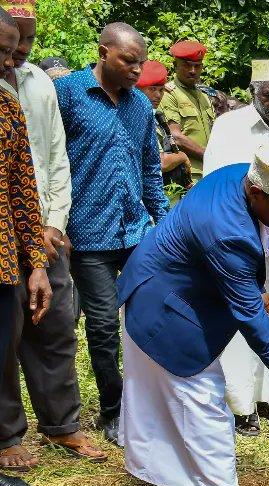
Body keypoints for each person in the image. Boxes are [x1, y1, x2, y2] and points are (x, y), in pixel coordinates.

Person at [117, 143, 269, 486]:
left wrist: (249, 288)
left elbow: (229, 267)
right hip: (165, 310)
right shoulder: (228, 232)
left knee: (161, 399)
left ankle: (161, 474)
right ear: (258, 193)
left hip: (165, 290)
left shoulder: (240, 173)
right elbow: (252, 322)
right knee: (204, 400)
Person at [0, 2, 105, 473]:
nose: (19, 51)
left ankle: (62, 424)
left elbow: (53, 162)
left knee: (57, 325)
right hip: (4, 238)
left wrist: (52, 225)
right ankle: (6, 435)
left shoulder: (41, 86)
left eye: (26, 41)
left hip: (42, 230)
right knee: (5, 336)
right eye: (10, 41)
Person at [54, 22, 169, 446]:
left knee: (147, 321)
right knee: (102, 325)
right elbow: (50, 159)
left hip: (136, 232)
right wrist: (54, 222)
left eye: (141, 61)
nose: (137, 70)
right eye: (128, 61)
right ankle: (113, 411)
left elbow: (149, 170)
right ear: (103, 52)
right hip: (88, 234)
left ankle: (149, 406)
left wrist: (165, 223)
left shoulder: (140, 106)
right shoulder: (68, 95)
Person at [203, 59, 269, 435]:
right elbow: (215, 185)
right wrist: (251, 235)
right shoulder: (227, 126)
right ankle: (241, 406)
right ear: (253, 92)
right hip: (237, 241)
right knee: (241, 318)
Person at [0, 5, 51, 486]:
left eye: (11, 51)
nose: (8, 61)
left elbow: (23, 192)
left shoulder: (8, 107)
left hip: (2, 264)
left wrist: (34, 263)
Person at [157, 40, 214, 183]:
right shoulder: (168, 94)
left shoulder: (204, 96)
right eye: (187, 65)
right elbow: (175, 137)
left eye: (197, 66)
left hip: (209, 172)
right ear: (175, 66)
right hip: (186, 175)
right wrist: (209, 155)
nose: (193, 71)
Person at [135, 60, 192, 191]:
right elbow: (161, 162)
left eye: (161, 90)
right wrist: (182, 156)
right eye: (152, 89)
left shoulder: (154, 115)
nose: (158, 95)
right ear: (137, 89)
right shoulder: (140, 117)